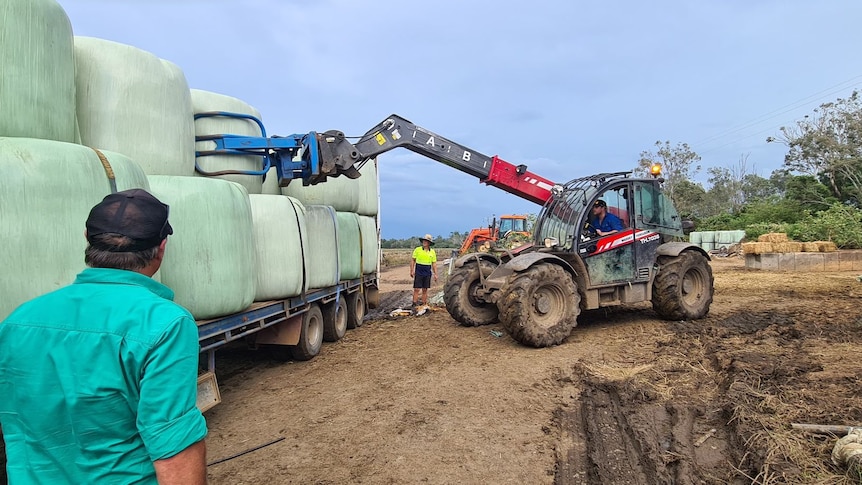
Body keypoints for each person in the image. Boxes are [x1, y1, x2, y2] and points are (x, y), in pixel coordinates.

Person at [0, 189, 208, 484]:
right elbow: (173, 446)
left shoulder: (17, 320)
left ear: (87, 237)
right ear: (161, 248)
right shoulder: (164, 323)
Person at [410, 234, 438, 307]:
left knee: (425, 289)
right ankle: (414, 303)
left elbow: (434, 264)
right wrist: (412, 270)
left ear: (429, 243)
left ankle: (424, 303)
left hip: (427, 270)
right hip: (419, 270)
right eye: (424, 241)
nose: (424, 242)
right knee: (416, 288)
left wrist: (435, 274)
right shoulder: (417, 249)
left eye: (426, 241)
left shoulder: (432, 252)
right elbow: (413, 260)